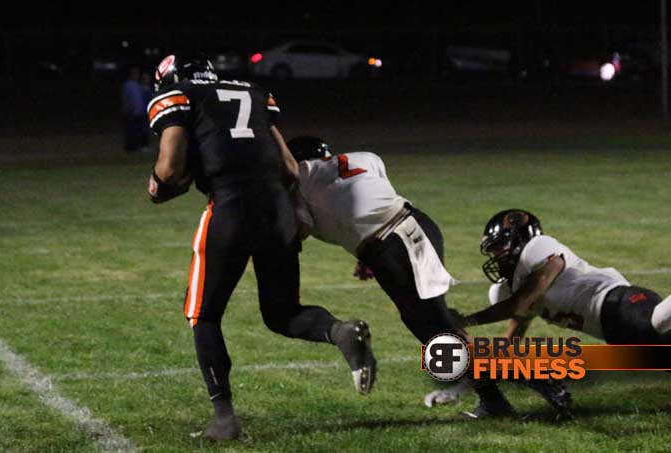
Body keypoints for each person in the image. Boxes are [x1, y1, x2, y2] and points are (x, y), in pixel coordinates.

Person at [146, 55, 376, 441]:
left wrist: (159, 185)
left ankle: (224, 418)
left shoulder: (178, 95)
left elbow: (169, 169)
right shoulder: (252, 92)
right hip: (277, 208)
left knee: (203, 315)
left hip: (230, 207)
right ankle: (340, 332)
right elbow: (290, 168)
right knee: (282, 312)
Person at [286, 136, 521, 419]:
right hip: (405, 231)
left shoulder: (300, 178)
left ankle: (519, 389)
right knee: (427, 325)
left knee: (437, 326)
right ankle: (493, 397)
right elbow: (372, 200)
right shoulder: (365, 157)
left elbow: (301, 230)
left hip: (397, 242)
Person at [427, 208, 671, 408]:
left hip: (620, 303)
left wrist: (467, 320)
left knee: (655, 324)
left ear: (519, 239)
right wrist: (456, 391)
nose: (496, 256)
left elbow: (519, 303)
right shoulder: (515, 288)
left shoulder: (539, 249)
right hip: (614, 332)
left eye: (499, 246)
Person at [121, 67, 151, 152]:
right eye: (134, 73)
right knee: (131, 130)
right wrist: (128, 109)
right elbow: (126, 99)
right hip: (131, 112)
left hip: (140, 112)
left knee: (138, 130)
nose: (136, 75)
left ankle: (137, 146)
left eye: (137, 74)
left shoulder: (138, 86)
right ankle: (130, 148)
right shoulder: (128, 85)